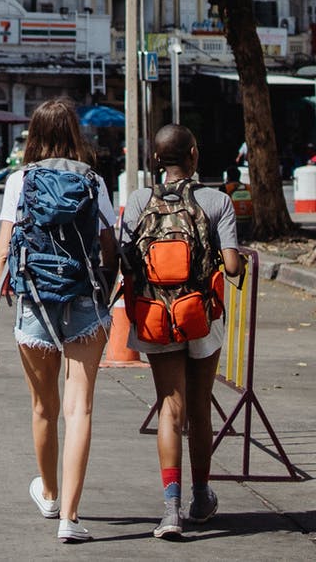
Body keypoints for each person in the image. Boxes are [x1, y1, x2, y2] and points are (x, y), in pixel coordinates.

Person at [0, 98, 118, 543]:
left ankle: (51, 493)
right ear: (75, 133)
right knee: (81, 409)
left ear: (34, 135)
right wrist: (106, 296)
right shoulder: (94, 181)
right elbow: (109, 247)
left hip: (35, 302)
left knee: (44, 407)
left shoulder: (20, 181)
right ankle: (70, 519)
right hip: (84, 303)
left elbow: (1, 253)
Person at [121, 125, 243, 539]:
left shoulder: (139, 201)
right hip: (200, 318)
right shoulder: (217, 201)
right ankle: (201, 496)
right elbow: (231, 266)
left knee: (170, 408)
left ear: (156, 160)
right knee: (199, 408)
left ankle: (170, 510)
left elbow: (126, 258)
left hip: (156, 317)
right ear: (193, 153)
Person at [222, 165, 253, 241]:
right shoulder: (248, 187)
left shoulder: (225, 187)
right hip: (249, 221)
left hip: (233, 222)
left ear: (228, 177)